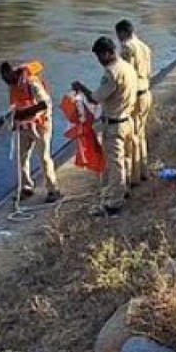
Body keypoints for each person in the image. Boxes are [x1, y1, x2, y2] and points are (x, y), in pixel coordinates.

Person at [72, 37, 138, 217]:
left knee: (115, 164)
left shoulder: (112, 73)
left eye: (100, 56)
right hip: (127, 120)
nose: (99, 60)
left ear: (109, 53)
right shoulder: (127, 67)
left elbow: (95, 98)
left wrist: (81, 88)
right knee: (125, 159)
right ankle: (122, 191)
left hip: (115, 124)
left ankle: (114, 203)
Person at [0, 61, 62, 203]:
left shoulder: (31, 83)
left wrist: (24, 114)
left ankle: (53, 190)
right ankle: (26, 187)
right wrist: (4, 120)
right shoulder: (12, 86)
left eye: (8, 79)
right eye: (5, 80)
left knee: (44, 158)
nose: (8, 83)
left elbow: (45, 103)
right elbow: (15, 107)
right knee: (22, 158)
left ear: (12, 73)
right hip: (24, 126)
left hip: (41, 125)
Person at [115, 19, 153, 185]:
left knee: (133, 137)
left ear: (122, 33)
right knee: (141, 133)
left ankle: (134, 177)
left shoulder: (127, 48)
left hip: (135, 95)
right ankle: (143, 169)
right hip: (146, 91)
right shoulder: (144, 47)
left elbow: (127, 74)